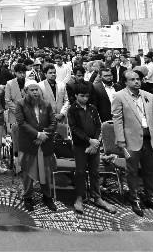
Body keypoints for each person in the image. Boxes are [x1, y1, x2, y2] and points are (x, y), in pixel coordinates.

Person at [111, 70, 153, 217]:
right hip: (130, 141)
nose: (137, 81)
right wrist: (120, 140)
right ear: (125, 82)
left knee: (150, 171)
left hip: (150, 139)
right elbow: (117, 120)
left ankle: (151, 198)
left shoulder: (149, 96)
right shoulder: (119, 96)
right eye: (132, 79)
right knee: (132, 171)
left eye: (138, 79)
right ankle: (134, 199)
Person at [67, 85, 116, 215]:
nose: (85, 98)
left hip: (94, 145)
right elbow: (74, 129)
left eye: (87, 96)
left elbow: (98, 126)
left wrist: (95, 143)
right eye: (82, 96)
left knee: (95, 172)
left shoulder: (92, 108)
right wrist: (89, 140)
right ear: (76, 96)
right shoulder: (72, 110)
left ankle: (97, 197)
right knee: (80, 172)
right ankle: (79, 197)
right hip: (80, 146)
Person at [15, 81, 57, 212]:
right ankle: (27, 197)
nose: (35, 92)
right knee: (28, 172)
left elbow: (53, 123)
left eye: (37, 89)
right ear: (26, 92)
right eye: (32, 90)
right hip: (29, 143)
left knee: (46, 171)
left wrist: (44, 135)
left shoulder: (47, 104)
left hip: (45, 143)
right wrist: (38, 134)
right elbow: (21, 123)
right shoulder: (20, 104)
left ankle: (47, 197)